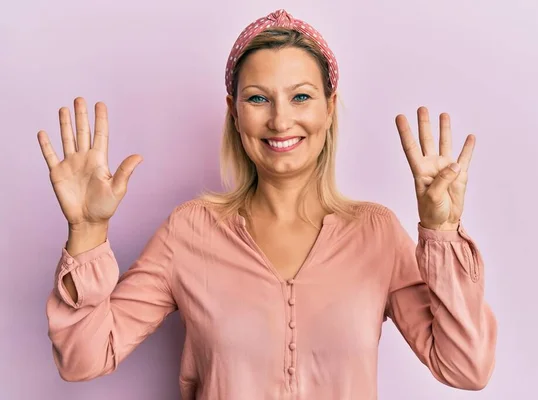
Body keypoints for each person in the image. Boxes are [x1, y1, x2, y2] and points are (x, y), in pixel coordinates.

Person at [39, 9, 497, 400]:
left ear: (329, 107)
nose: (280, 120)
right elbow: (83, 360)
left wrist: (442, 232)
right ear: (234, 111)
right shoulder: (189, 232)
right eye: (258, 99)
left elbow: (466, 367)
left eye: (301, 96)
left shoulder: (375, 234)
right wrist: (86, 231)